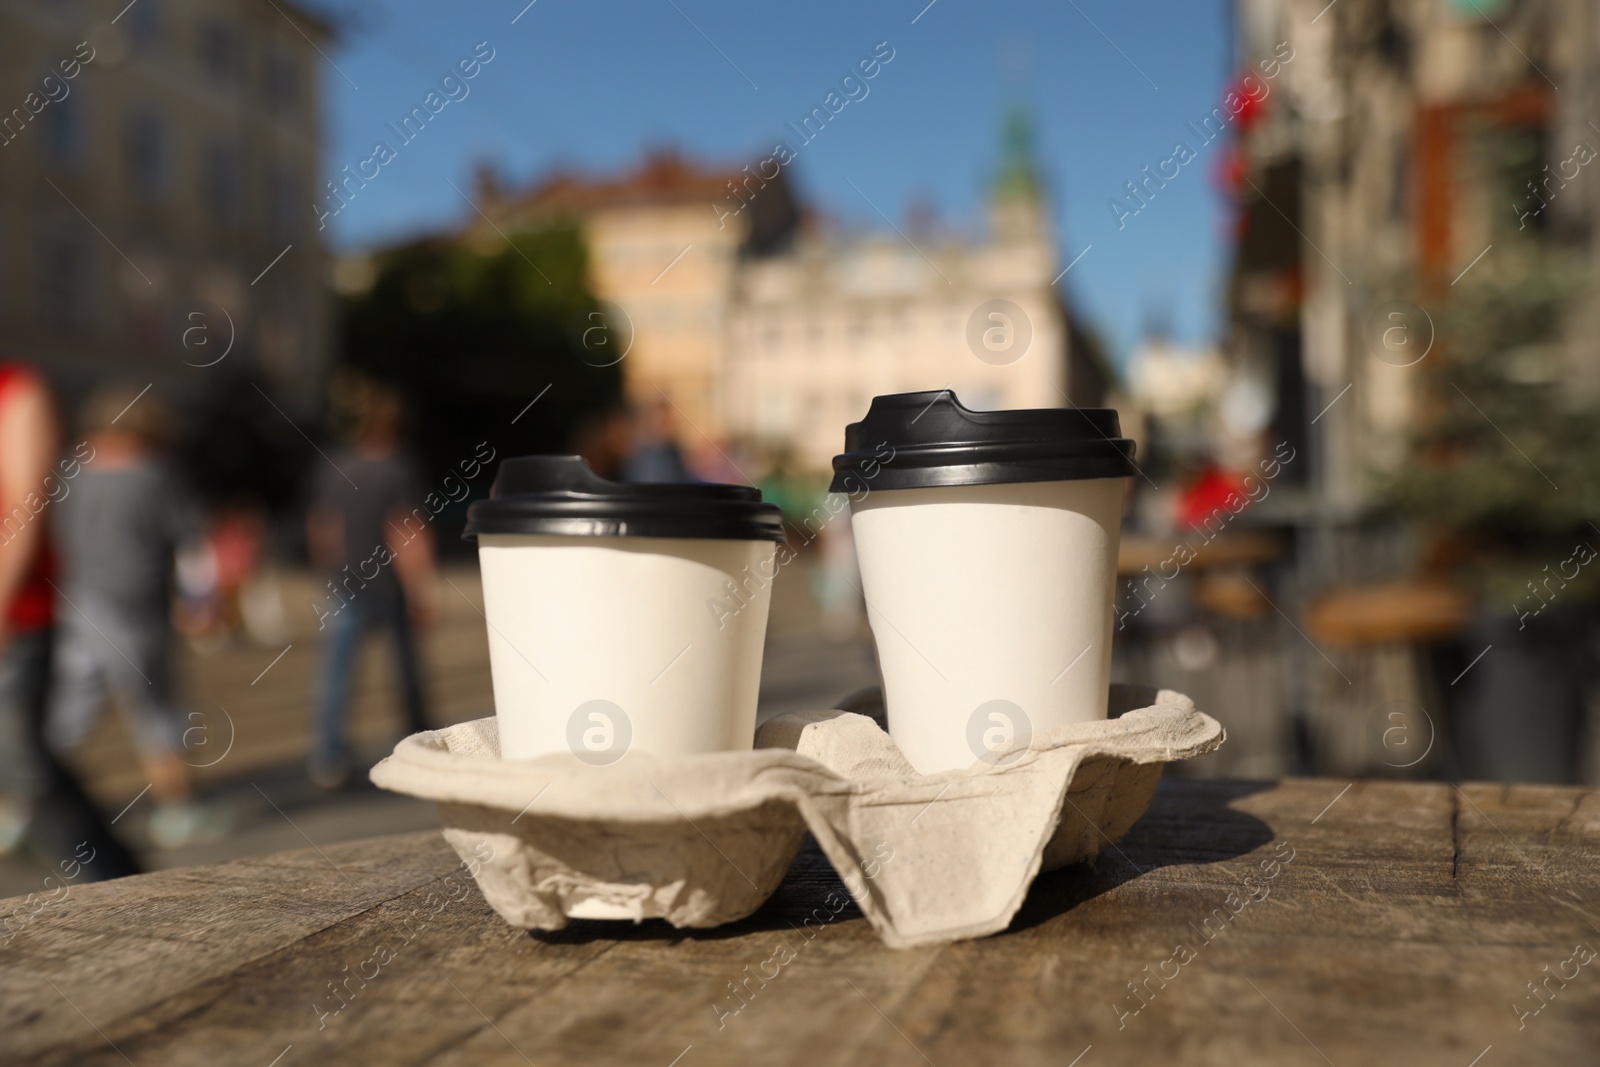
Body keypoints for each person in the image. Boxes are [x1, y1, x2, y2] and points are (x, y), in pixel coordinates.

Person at [49, 385, 226, 851]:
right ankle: (176, 813)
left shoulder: (71, 474)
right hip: (133, 607)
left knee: (68, 711)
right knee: (157, 707)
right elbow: (193, 546)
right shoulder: (153, 476)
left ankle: (19, 809)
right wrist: (202, 603)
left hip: (73, 604)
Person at [0, 364, 139, 879]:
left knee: (24, 765)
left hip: (18, 614)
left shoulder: (18, 392)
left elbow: (24, 511)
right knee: (21, 763)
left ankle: (113, 880)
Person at [307, 380, 438, 788]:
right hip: (390, 587)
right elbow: (405, 531)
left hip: (347, 583)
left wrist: (331, 571)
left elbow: (323, 528)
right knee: (406, 673)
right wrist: (421, 589)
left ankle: (330, 755)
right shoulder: (396, 469)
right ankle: (419, 748)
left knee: (337, 675)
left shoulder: (335, 466)